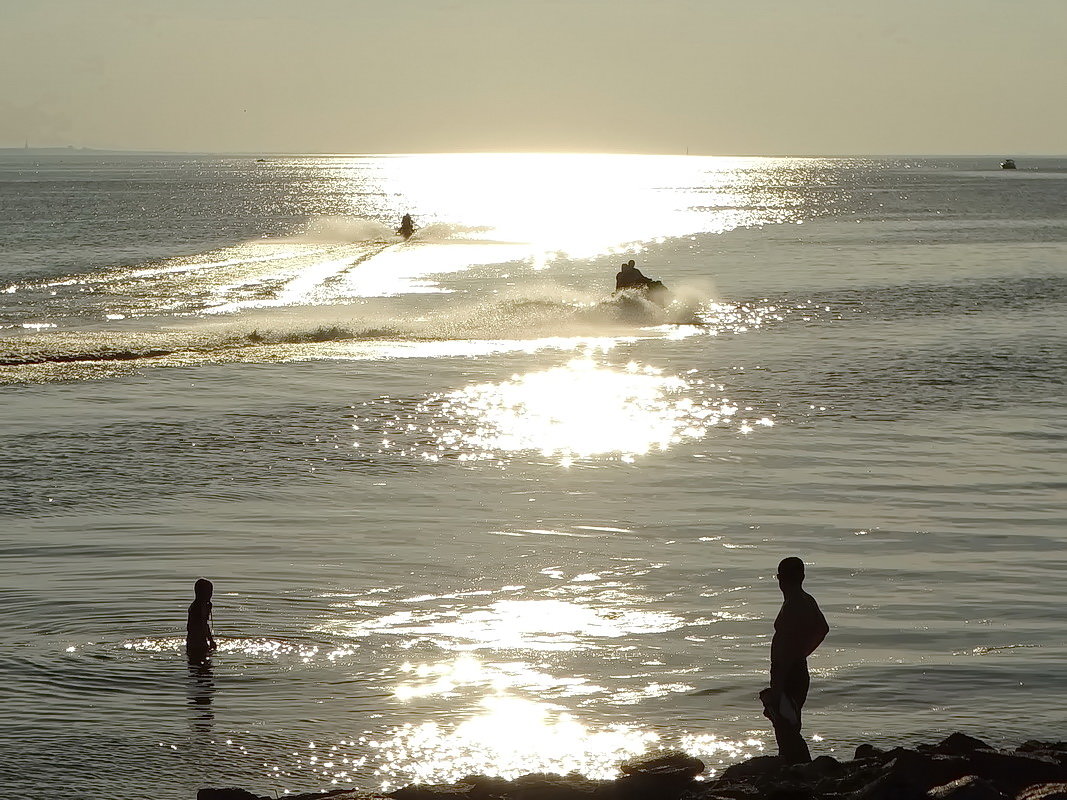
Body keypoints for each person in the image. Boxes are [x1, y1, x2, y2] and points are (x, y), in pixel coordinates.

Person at [760, 556, 828, 764]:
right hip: (797, 669)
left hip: (787, 673)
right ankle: (794, 765)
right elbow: (822, 628)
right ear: (802, 576)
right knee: (788, 721)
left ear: (780, 578)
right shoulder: (806, 599)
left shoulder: (792, 605)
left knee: (785, 724)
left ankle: (796, 767)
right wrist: (803, 652)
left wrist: (778, 687)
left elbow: (785, 651)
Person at [186, 578, 217, 665]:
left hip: (191, 641)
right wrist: (211, 640)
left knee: (194, 661)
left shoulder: (195, 605)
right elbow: (204, 625)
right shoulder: (201, 607)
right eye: (210, 592)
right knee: (203, 662)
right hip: (199, 642)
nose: (211, 595)